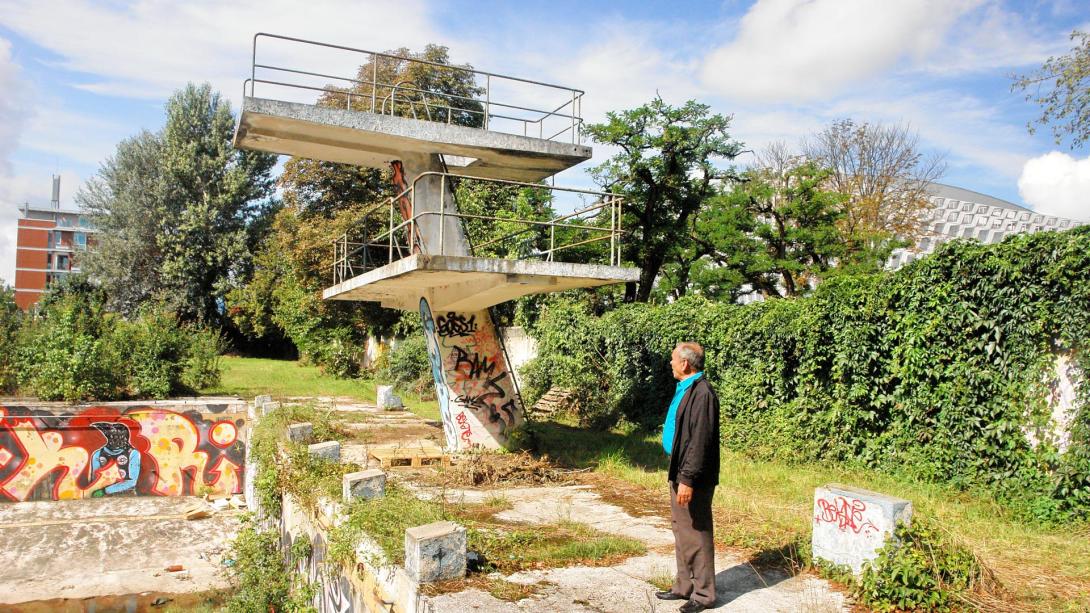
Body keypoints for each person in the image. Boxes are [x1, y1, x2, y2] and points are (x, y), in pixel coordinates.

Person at [656, 342, 720, 612]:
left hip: (691, 476)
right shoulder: (686, 388)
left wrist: (687, 480)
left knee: (697, 532)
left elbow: (699, 442)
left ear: (685, 363)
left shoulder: (702, 393)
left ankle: (704, 595)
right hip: (679, 469)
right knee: (682, 529)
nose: (670, 363)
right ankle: (684, 586)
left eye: (673, 359)